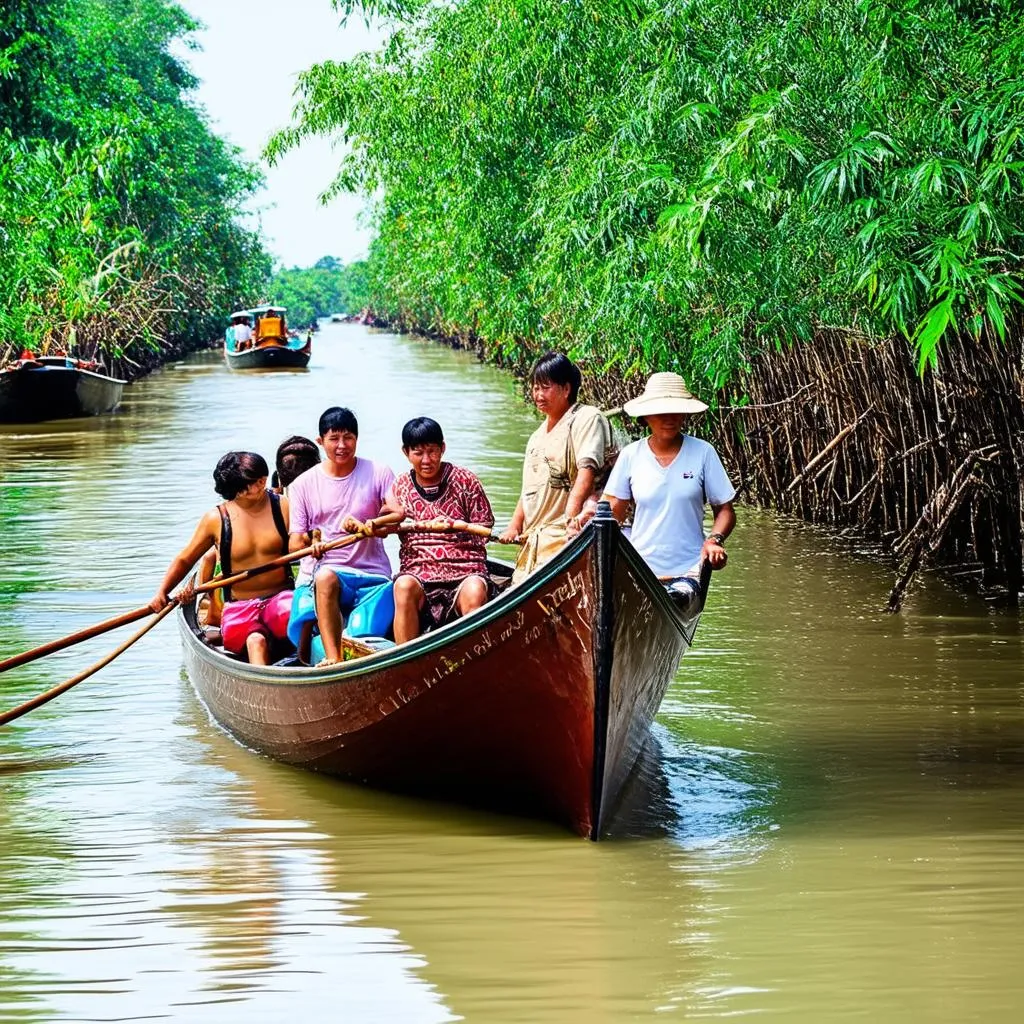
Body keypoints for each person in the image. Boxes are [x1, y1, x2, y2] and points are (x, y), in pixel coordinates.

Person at [150, 452, 293, 665]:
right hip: (240, 608)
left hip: (281, 600)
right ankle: (262, 686)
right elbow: (186, 560)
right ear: (235, 489)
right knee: (255, 641)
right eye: (252, 482)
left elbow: (304, 541)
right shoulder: (215, 519)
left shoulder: (282, 506)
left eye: (262, 477)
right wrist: (162, 592)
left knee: (299, 615)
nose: (262, 482)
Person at [286, 407, 402, 665]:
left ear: (357, 439)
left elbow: (397, 513)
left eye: (348, 437)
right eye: (334, 438)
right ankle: (333, 658)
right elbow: (295, 544)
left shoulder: (379, 472)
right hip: (326, 572)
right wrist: (312, 543)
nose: (342, 445)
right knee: (325, 577)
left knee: (365, 632)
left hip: (373, 574)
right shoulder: (301, 485)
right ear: (320, 441)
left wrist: (369, 524)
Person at [602, 371, 735, 595]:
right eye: (661, 412)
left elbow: (725, 510)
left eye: (675, 411)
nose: (669, 418)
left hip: (690, 571)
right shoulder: (631, 455)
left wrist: (714, 540)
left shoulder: (703, 452)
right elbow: (611, 513)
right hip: (640, 569)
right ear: (646, 416)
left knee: (680, 596)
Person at [499, 351, 615, 584]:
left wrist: (571, 519)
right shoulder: (535, 437)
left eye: (545, 387)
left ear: (566, 389)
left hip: (571, 538)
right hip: (534, 545)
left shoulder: (586, 418)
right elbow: (528, 492)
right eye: (535, 388)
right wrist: (514, 526)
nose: (538, 395)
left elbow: (587, 471)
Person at [384, 417, 496, 644]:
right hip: (418, 573)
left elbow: (484, 526)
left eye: (432, 451)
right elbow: (386, 522)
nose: (426, 460)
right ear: (406, 452)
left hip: (465, 571)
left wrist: (456, 525)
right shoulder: (399, 487)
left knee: (475, 591)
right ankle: (406, 664)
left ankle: (475, 659)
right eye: (418, 452)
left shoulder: (465, 481)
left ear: (442, 448)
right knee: (402, 586)